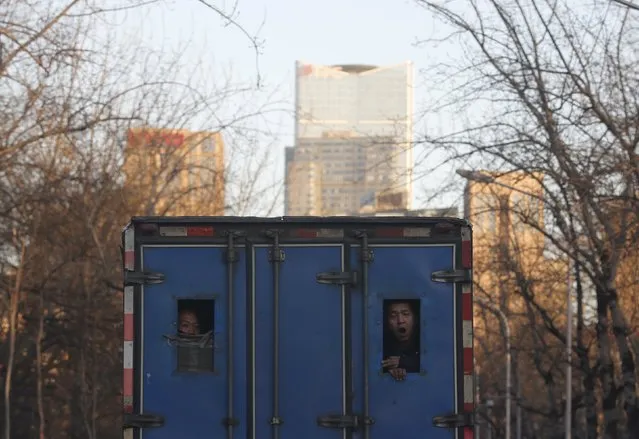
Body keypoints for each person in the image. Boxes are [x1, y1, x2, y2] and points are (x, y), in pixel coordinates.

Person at [382, 300, 420, 381]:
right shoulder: (382, 346)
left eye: (405, 314)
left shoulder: (422, 341)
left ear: (415, 319)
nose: (400, 321)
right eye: (393, 316)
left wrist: (403, 362)